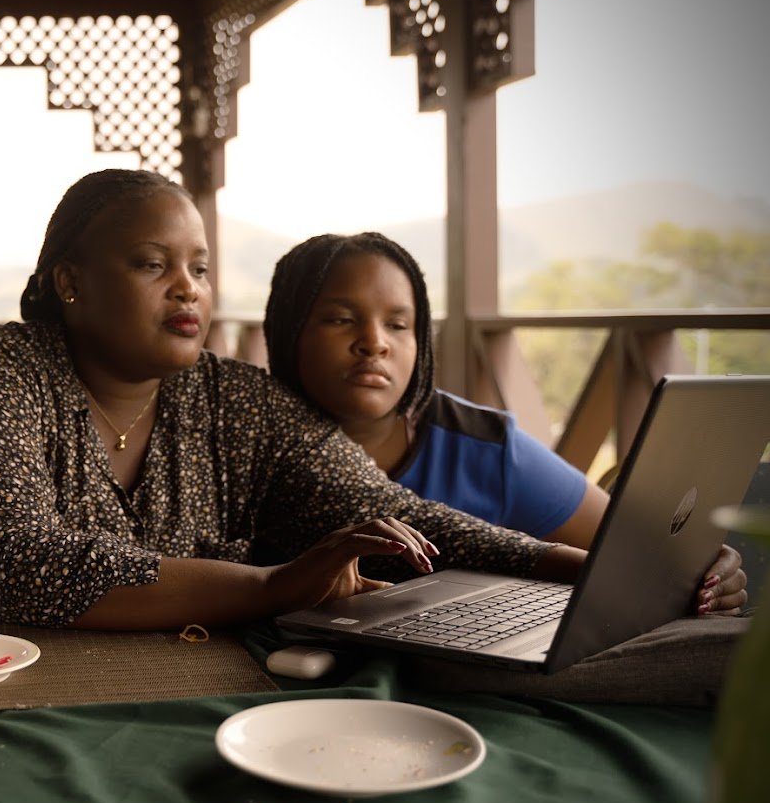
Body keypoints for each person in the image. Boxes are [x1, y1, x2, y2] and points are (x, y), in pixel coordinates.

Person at [0, 169, 585, 632]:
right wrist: (266, 587)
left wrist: (572, 567)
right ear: (69, 281)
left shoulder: (234, 399)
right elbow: (10, 564)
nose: (188, 288)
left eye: (198, 268)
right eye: (151, 264)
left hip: (195, 691)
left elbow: (385, 514)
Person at [261, 231, 747, 616]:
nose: (374, 343)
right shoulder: (241, 444)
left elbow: (633, 546)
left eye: (398, 324)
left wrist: (700, 568)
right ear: (287, 332)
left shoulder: (483, 447)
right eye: (342, 320)